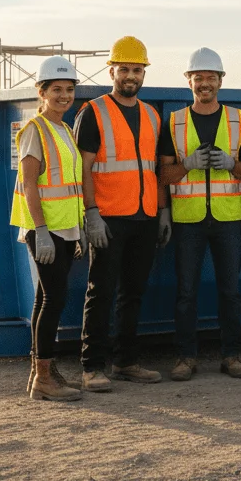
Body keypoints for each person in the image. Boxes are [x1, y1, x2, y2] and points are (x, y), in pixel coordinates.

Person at [74, 35, 170, 391]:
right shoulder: (93, 112)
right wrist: (91, 214)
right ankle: (91, 367)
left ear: (143, 73)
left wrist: (162, 212)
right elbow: (83, 169)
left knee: (133, 293)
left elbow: (156, 169)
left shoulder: (151, 115)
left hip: (144, 217)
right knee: (100, 292)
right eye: (124, 69)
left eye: (137, 70)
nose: (131, 76)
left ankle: (126, 362)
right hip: (109, 218)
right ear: (111, 71)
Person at [157, 48, 241, 381]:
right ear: (188, 81)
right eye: (198, 78)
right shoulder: (174, 122)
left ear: (220, 81)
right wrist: (187, 166)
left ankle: (231, 356)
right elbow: (163, 175)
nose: (204, 84)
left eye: (210, 78)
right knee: (186, 293)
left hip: (228, 219)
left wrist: (232, 167)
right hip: (188, 220)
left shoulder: (237, 120)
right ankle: (186, 358)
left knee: (230, 292)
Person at [10, 56, 85, 402]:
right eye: (56, 89)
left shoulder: (65, 130)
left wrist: (77, 228)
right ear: (41, 92)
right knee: (54, 299)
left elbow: (70, 183)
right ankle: (43, 377)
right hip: (46, 229)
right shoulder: (34, 130)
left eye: (69, 89)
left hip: (64, 226)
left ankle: (41, 372)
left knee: (46, 298)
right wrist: (40, 230)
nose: (64, 95)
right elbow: (29, 184)